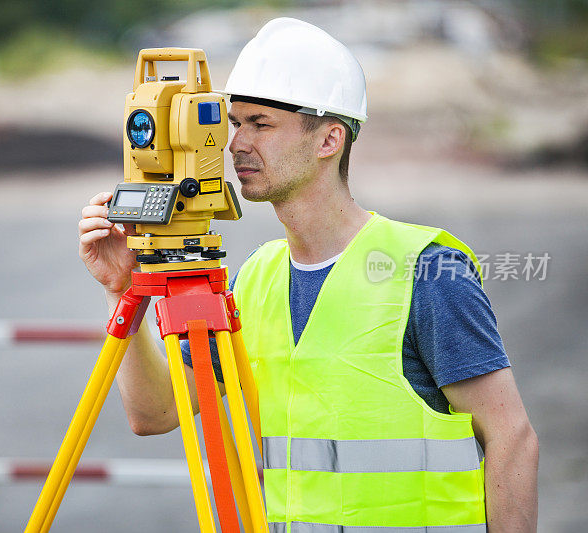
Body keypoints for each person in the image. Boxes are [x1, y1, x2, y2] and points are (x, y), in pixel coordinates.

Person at [78, 17, 538, 533]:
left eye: (261, 124)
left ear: (329, 140)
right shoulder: (255, 279)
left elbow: (512, 436)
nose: (235, 145)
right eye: (235, 124)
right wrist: (122, 293)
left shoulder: (426, 270)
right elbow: (156, 414)